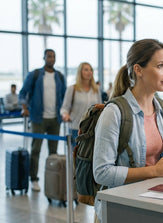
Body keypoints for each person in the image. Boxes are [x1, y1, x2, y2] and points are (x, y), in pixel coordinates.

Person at [92, 39, 163, 223]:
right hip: (122, 208)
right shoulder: (114, 112)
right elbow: (102, 173)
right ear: (138, 70)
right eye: (160, 66)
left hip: (155, 201)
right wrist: (155, 171)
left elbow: (158, 161)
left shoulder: (162, 109)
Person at [19, 49, 67, 192]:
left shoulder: (59, 76)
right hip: (38, 118)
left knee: (53, 152)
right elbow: (23, 92)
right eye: (49, 56)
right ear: (44, 58)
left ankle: (51, 179)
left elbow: (65, 96)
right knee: (36, 149)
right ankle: (33, 179)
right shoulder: (35, 75)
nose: (51, 59)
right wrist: (24, 108)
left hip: (55, 119)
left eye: (53, 56)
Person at [60, 62, 102, 147]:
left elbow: (99, 107)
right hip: (76, 127)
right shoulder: (72, 89)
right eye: (86, 70)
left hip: (92, 128)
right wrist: (65, 115)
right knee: (76, 155)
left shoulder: (96, 89)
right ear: (80, 72)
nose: (89, 72)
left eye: (91, 70)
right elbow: (64, 108)